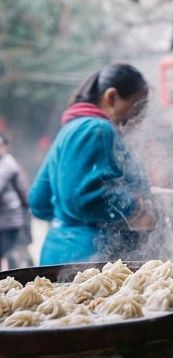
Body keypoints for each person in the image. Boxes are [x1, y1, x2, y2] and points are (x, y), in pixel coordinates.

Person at [29, 63, 158, 265]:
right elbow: (83, 199)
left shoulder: (70, 129)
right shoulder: (97, 128)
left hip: (57, 255)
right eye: (137, 106)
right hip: (90, 262)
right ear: (111, 97)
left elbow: (39, 202)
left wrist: (69, 223)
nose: (138, 118)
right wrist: (137, 206)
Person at [0, 133, 34, 269]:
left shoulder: (8, 163)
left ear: (5, 147)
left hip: (12, 218)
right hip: (6, 218)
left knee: (14, 252)